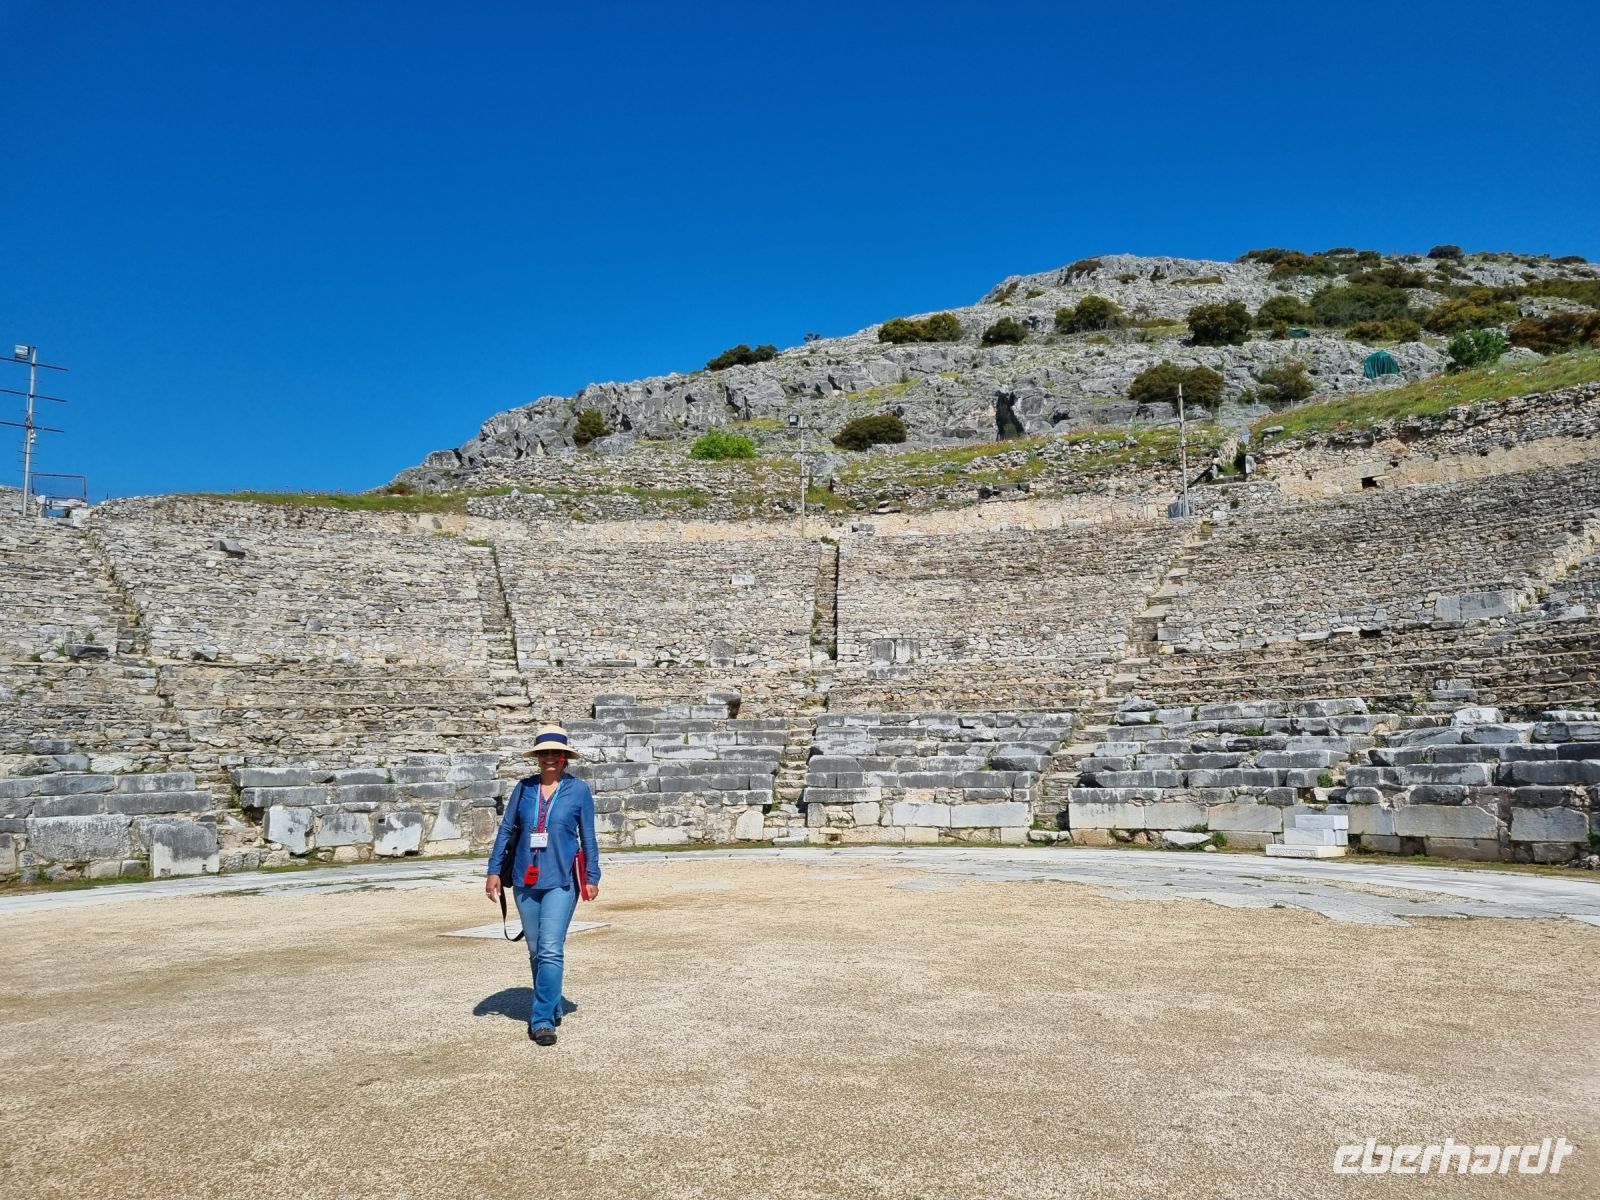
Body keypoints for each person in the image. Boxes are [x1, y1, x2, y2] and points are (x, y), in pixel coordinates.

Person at [485, 724, 601, 1046]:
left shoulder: (578, 790)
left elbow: (588, 836)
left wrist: (592, 876)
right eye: (544, 753)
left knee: (551, 949)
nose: (550, 757)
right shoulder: (524, 788)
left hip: (561, 880)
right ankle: (551, 1003)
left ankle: (542, 1020)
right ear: (537, 758)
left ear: (564, 758)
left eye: (556, 753)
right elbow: (506, 830)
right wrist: (494, 870)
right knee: (536, 950)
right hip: (524, 878)